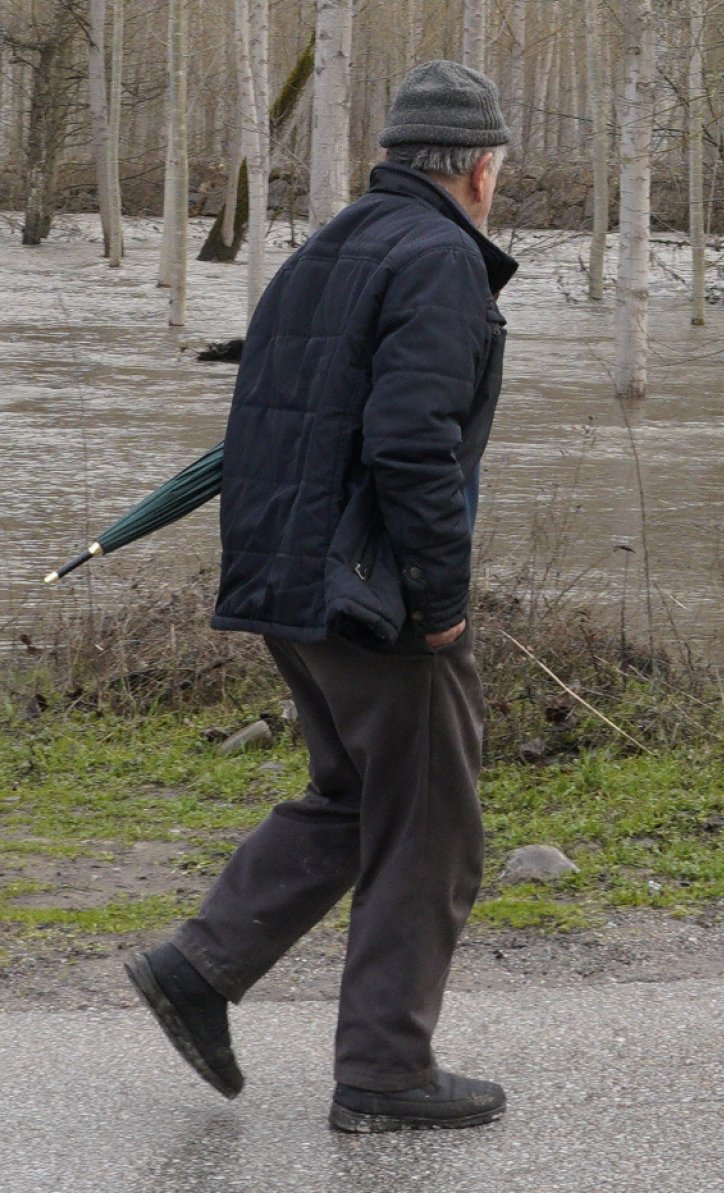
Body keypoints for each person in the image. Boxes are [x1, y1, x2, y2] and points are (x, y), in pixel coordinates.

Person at [125, 58, 521, 1135]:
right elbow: (409, 443)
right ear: (481, 169)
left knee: (355, 798)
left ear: (394, 158)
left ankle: (199, 970)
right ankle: (386, 1074)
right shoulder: (440, 260)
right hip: (373, 593)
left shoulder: (330, 248)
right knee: (431, 827)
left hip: (285, 579)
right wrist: (439, 600)